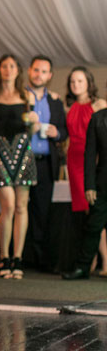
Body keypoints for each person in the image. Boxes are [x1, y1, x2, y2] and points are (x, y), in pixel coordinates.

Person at [0, 55, 36, 280]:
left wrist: (35, 122)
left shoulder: (26, 96)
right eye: (4, 66)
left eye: (12, 66)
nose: (8, 70)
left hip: (22, 152)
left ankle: (17, 258)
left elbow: (32, 129)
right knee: (6, 205)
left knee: (21, 206)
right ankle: (4, 257)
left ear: (18, 70)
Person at [24, 55, 67, 272]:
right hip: (21, 161)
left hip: (45, 163)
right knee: (20, 209)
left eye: (43, 71)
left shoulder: (55, 101)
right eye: (36, 70)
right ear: (29, 71)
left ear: (49, 76)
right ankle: (18, 257)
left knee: (42, 212)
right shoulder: (19, 96)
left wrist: (56, 132)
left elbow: (64, 130)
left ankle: (40, 260)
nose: (39, 74)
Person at [66, 67, 107, 275]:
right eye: (72, 81)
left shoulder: (98, 106)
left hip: (93, 167)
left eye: (80, 81)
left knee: (96, 217)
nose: (76, 85)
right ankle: (86, 264)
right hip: (84, 168)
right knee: (90, 219)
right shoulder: (78, 109)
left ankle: (101, 263)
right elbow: (88, 153)